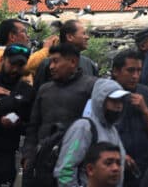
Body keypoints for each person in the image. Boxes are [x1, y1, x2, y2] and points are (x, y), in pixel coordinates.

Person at [23, 43, 98, 176]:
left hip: (76, 163)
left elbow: (99, 127)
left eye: (56, 61)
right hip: (43, 161)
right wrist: (28, 154)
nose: (51, 66)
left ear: (73, 62)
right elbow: (33, 125)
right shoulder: (45, 89)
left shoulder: (92, 87)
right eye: (50, 61)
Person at [92, 49, 148, 173]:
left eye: (139, 71)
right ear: (116, 71)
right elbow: (93, 134)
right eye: (130, 70)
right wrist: (119, 155)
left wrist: (145, 111)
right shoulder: (101, 96)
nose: (135, 76)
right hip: (112, 167)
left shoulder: (146, 93)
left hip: (144, 167)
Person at [55, 79, 130, 187]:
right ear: (101, 101)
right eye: (114, 101)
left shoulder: (112, 130)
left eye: (121, 101)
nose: (118, 106)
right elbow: (65, 170)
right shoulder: (83, 128)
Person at [0, 43, 35, 187]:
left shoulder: (27, 90)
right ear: (2, 60)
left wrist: (16, 125)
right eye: (12, 63)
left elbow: (31, 124)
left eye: (20, 65)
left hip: (5, 157)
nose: (15, 69)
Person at [33, 19, 99, 91]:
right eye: (83, 33)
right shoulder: (47, 64)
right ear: (70, 37)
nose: (87, 37)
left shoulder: (90, 64)